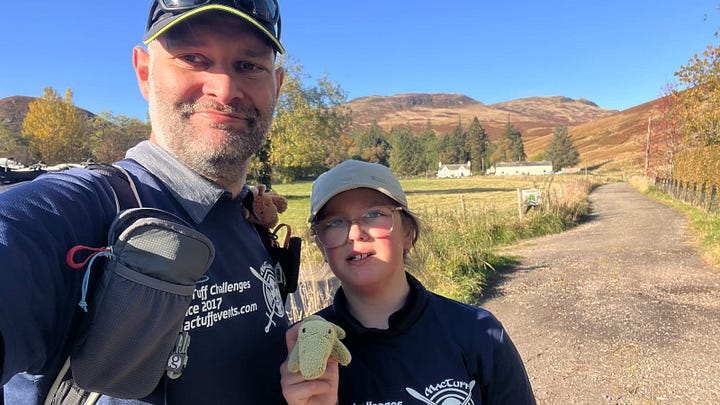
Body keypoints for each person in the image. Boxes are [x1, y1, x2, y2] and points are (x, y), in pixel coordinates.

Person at [0, 1, 292, 403]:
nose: (223, 88)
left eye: (248, 65)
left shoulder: (252, 218)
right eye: (193, 58)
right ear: (144, 72)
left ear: (276, 84)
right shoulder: (74, 214)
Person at [281, 160, 537, 404]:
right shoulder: (304, 353)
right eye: (334, 222)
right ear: (322, 248)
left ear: (408, 234)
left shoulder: (479, 334)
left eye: (374, 214)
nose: (355, 233)